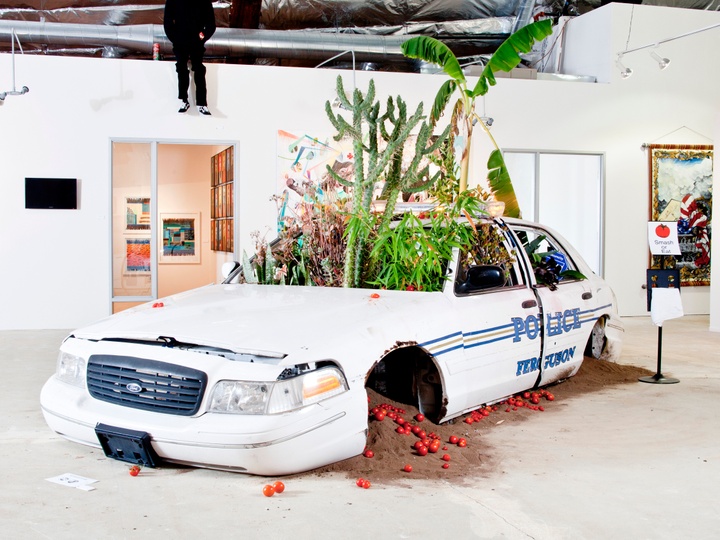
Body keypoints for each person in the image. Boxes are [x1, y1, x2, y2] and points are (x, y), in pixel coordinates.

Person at [163, 0, 216, 115]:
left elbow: (211, 24)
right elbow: (167, 23)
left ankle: (201, 103)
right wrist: (176, 38)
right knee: (182, 67)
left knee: (198, 69)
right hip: (180, 40)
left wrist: (202, 37)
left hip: (196, 41)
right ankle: (184, 99)